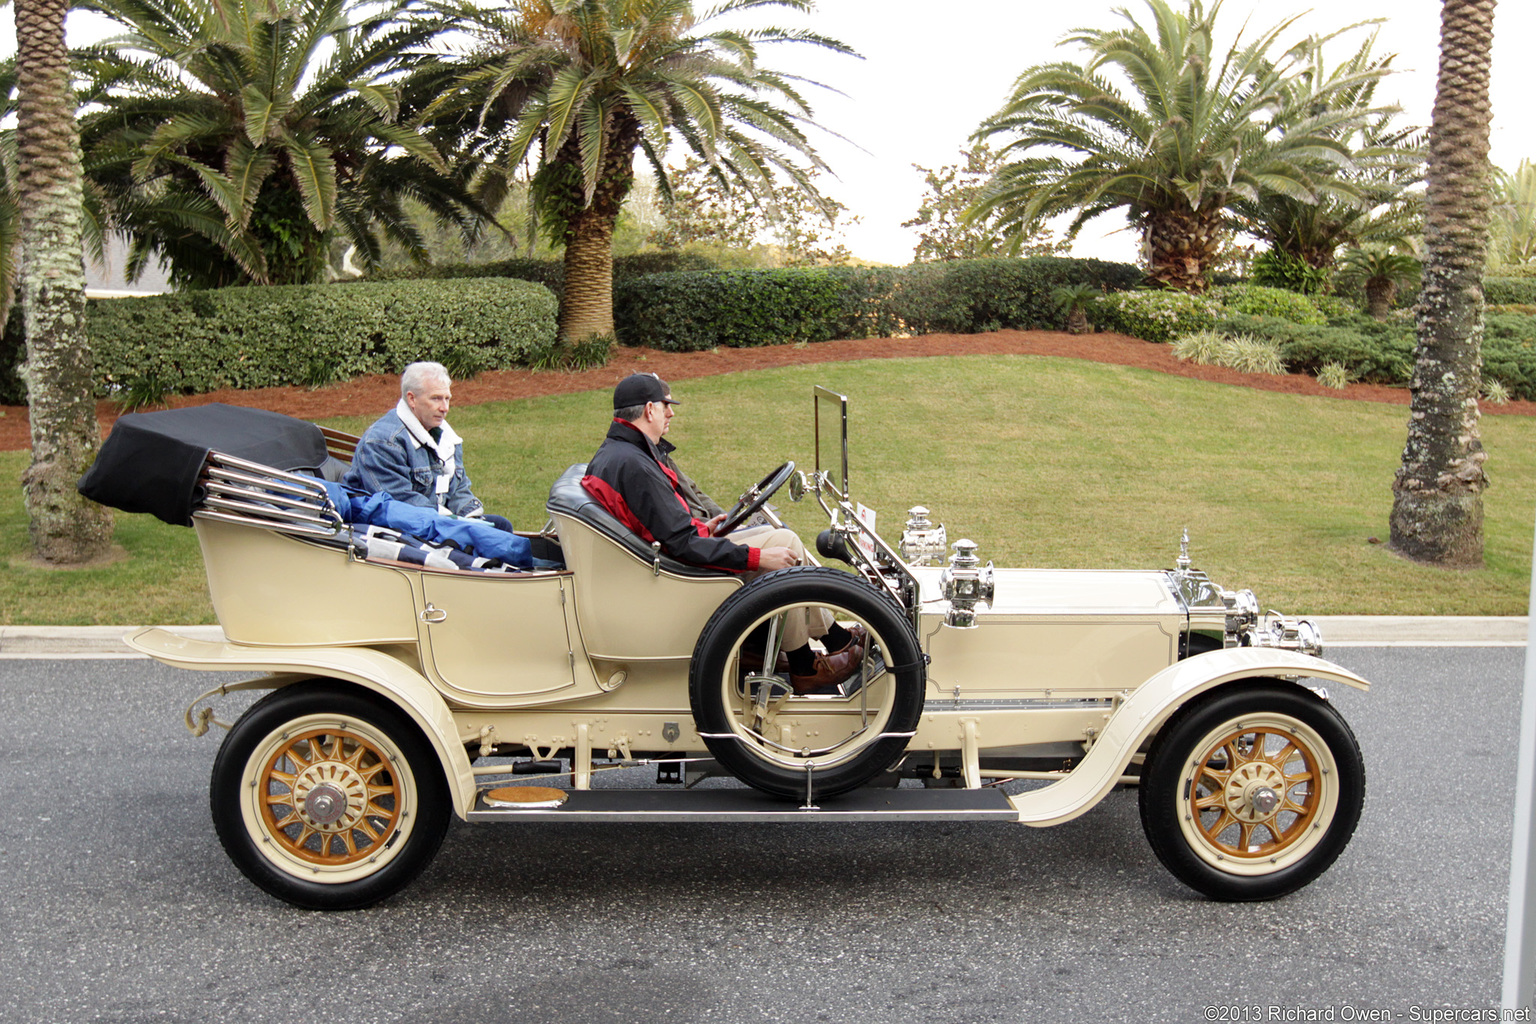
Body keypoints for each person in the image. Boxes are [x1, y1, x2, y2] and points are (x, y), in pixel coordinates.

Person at [581, 373, 863, 692]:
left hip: (665, 563)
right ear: (648, 410)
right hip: (676, 578)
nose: (670, 412)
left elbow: (666, 529)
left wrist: (704, 527)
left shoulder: (622, 453)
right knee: (783, 543)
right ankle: (805, 665)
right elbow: (683, 545)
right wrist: (756, 558)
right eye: (665, 406)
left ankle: (833, 638)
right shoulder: (636, 465)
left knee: (783, 541)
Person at [343, 361, 512, 532]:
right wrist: (456, 523)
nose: (444, 408)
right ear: (412, 399)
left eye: (447, 399)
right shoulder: (382, 442)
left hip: (435, 521)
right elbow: (400, 507)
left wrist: (471, 518)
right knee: (494, 539)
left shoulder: (445, 436)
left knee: (500, 526)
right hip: (398, 531)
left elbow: (458, 488)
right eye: (436, 398)